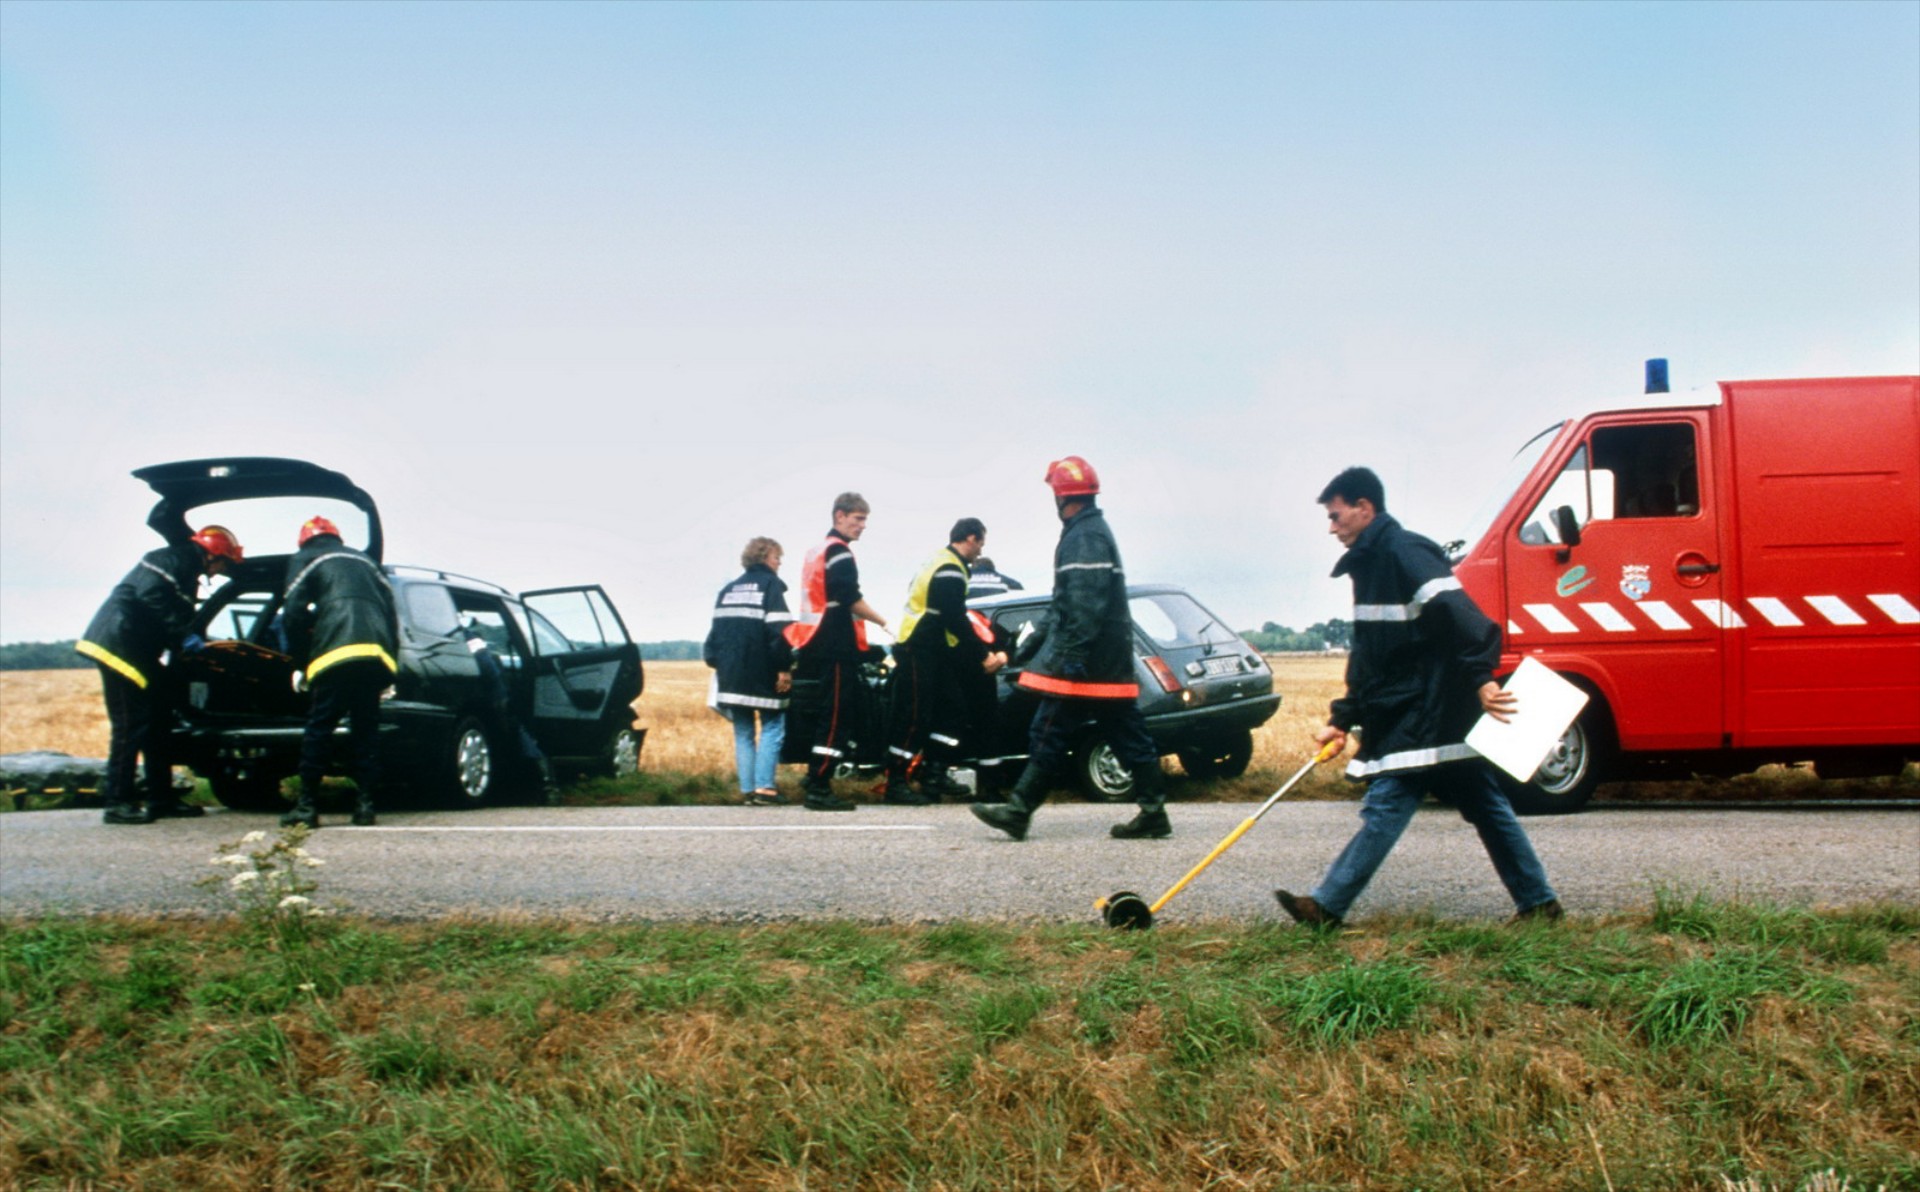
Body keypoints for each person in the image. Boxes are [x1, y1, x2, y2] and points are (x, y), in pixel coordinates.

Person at [1274, 466, 1563, 928]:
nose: (1331, 527)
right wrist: (1342, 719)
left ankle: (1327, 906)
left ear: (1365, 508)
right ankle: (1539, 904)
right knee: (1486, 805)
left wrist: (1481, 678)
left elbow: (1464, 617)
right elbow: (1371, 655)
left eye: (1335, 516)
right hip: (1416, 709)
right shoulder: (1371, 564)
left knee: (1387, 803)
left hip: (1426, 711)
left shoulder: (1405, 552)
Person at [971, 456, 1169, 841]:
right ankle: (1153, 811)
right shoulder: (1089, 531)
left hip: (1087, 666)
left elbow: (1083, 605)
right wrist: (1027, 648)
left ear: (1062, 497)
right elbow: (1063, 606)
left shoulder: (1084, 537)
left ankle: (1018, 811)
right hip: (1104, 664)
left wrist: (1071, 660)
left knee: (1047, 730)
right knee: (1128, 734)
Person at [76, 526, 245, 824]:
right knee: (131, 724)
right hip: (118, 645)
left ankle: (161, 798)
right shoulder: (169, 559)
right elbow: (151, 596)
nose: (222, 571)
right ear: (212, 555)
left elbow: (173, 613)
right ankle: (117, 803)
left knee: (159, 719)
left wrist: (193, 642)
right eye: (224, 564)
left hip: (139, 650)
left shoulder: (185, 570)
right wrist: (183, 637)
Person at [280, 515, 399, 829]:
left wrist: (297, 663)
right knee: (366, 731)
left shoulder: (305, 558)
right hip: (376, 654)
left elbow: (292, 614)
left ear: (304, 540)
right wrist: (389, 672)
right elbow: (391, 615)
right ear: (337, 537)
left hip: (335, 651)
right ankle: (365, 806)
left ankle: (306, 806)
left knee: (319, 728)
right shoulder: (367, 562)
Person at [883, 518, 1007, 805]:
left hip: (932, 649)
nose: (980, 552)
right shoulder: (951, 569)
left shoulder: (941, 562)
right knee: (914, 716)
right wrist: (984, 653)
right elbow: (953, 617)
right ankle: (896, 783)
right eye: (981, 544)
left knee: (952, 713)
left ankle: (934, 776)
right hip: (919, 647)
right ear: (971, 538)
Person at [791, 493, 888, 812]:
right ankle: (819, 784)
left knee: (829, 712)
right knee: (836, 715)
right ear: (839, 516)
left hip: (815, 640)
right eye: (858, 519)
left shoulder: (817, 550)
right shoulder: (840, 553)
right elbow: (850, 599)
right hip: (834, 642)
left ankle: (813, 777)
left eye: (864, 520)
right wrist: (884, 622)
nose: (862, 526)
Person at [704, 536, 795, 806]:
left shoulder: (727, 590)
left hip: (731, 676)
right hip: (763, 673)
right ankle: (765, 789)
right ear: (766, 557)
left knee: (743, 731)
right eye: (778, 558)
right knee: (773, 726)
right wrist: (784, 667)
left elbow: (713, 640)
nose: (779, 564)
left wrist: (719, 664)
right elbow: (780, 633)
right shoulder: (771, 587)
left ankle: (747, 790)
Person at [456, 613, 559, 805]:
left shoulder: (461, 637)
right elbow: (488, 667)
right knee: (518, 736)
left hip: (491, 698)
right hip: (495, 696)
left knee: (513, 736)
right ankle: (546, 786)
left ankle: (542, 787)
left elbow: (486, 668)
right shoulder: (470, 637)